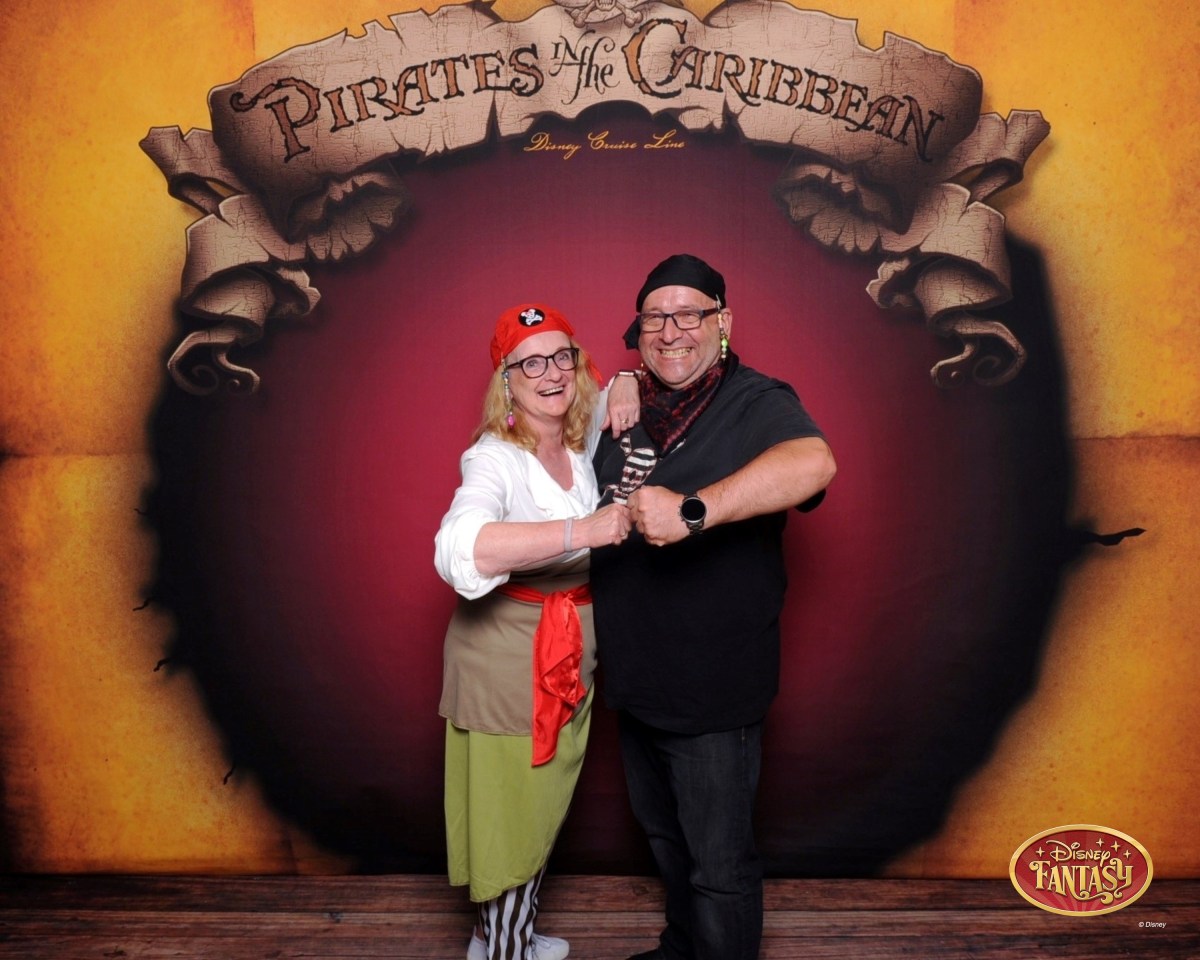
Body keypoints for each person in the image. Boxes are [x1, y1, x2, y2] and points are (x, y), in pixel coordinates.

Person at [590, 255, 837, 960]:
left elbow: (814, 463)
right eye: (655, 318)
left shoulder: (755, 399)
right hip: (636, 680)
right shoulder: (629, 403)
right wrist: (619, 381)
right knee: (666, 841)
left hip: (713, 689)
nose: (671, 331)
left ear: (722, 321)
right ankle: (682, 950)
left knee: (719, 865)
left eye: (688, 314)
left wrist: (694, 510)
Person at [434, 303, 638, 960]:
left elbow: (620, 385)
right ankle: (503, 951)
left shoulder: (578, 440)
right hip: (506, 656)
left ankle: (501, 937)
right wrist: (585, 529)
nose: (550, 373)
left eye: (561, 357)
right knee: (512, 812)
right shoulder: (493, 458)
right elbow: (460, 548)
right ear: (507, 381)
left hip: (568, 648)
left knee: (538, 802)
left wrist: (627, 381)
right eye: (530, 363)